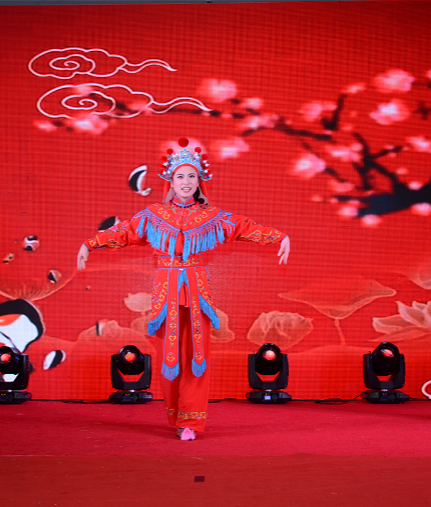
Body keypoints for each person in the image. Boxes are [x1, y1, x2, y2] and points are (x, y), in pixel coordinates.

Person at [77, 138, 290, 440]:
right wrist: (90, 244)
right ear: (171, 181)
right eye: (180, 176)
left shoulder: (212, 217)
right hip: (165, 292)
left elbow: (243, 227)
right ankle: (177, 414)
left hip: (196, 292)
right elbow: (124, 232)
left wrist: (279, 237)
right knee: (169, 356)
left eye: (192, 176)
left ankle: (190, 421)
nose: (186, 182)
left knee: (197, 356)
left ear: (199, 181)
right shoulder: (153, 216)